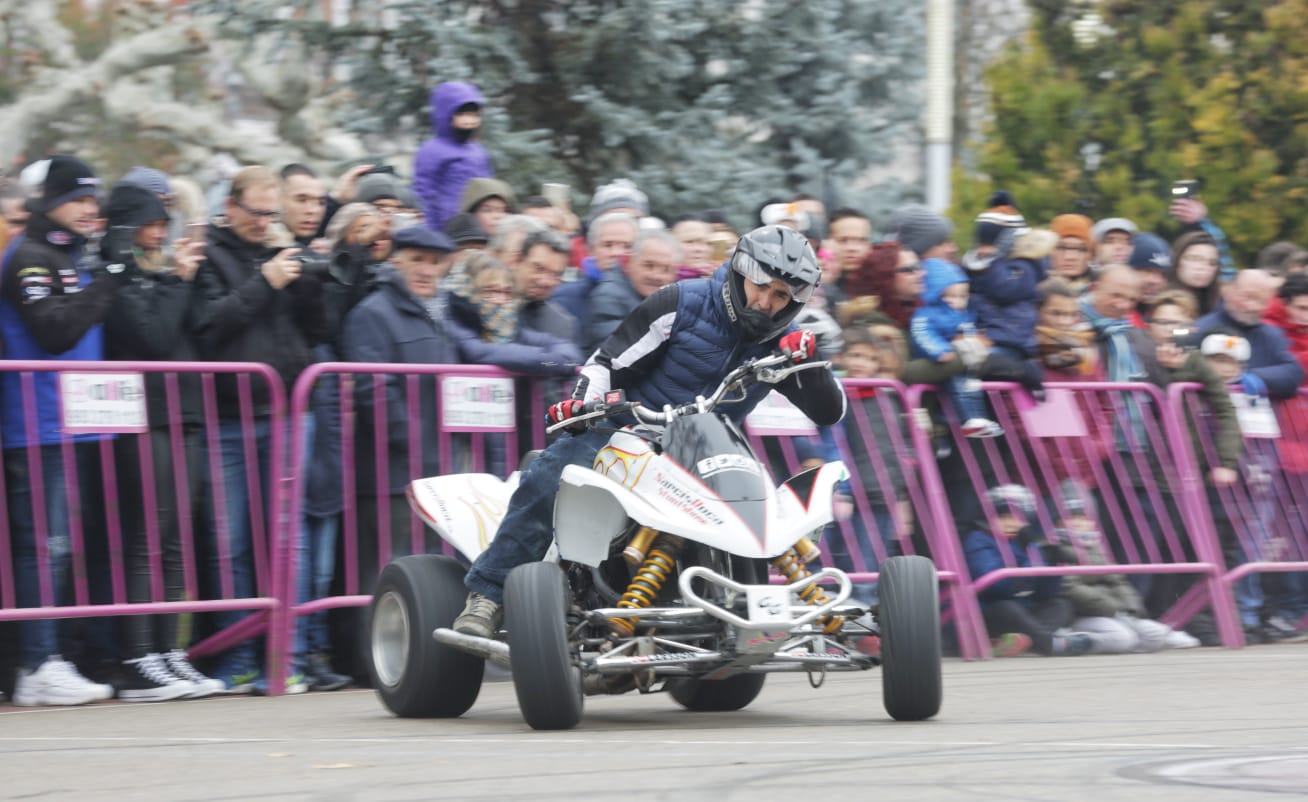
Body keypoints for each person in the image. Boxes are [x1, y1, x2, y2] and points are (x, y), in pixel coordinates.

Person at [452, 225, 847, 637]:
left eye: (781, 295)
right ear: (739, 272)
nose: (766, 302)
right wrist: (583, 405)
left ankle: (731, 609)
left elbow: (830, 412)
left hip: (707, 452)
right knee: (552, 473)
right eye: (761, 285)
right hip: (626, 435)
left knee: (764, 505)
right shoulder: (681, 302)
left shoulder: (782, 342)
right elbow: (606, 362)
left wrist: (812, 364)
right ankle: (489, 594)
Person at [191, 165, 329, 694]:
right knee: (230, 545)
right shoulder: (208, 255)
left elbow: (320, 332)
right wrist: (264, 282)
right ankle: (238, 657)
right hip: (229, 419)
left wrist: (307, 285)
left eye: (273, 213)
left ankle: (285, 657)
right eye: (257, 211)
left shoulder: (285, 254)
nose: (266, 221)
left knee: (284, 541)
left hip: (290, 415)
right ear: (231, 206)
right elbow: (208, 327)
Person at [100, 183, 226, 701]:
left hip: (183, 413)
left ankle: (168, 652)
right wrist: (177, 280)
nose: (159, 232)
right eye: (150, 224)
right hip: (144, 416)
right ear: (127, 225)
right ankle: (137, 659)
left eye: (163, 223)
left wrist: (184, 278)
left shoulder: (166, 272)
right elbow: (151, 336)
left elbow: (194, 327)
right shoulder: (114, 273)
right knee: (147, 539)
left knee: (174, 542)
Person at [1, 155, 119, 705]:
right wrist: (105, 287)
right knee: (42, 547)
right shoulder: (28, 256)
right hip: (37, 422)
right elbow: (53, 330)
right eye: (80, 200)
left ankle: (55, 655)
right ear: (51, 202)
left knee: (63, 547)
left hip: (78, 422)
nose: (90, 210)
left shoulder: (73, 256)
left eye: (94, 201)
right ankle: (37, 664)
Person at [1050, 481, 1201, 652]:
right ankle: (1070, 641)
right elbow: (1069, 587)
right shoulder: (1055, 548)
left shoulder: (1096, 546)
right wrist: (1113, 609)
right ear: (1058, 521)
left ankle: (1130, 640)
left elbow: (1118, 580)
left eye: (1084, 519)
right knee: (1121, 638)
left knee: (1155, 634)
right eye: (1072, 519)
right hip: (1081, 615)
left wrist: (1130, 607)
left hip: (1113, 612)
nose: (1079, 524)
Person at [961, 485, 1094, 657]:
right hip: (990, 610)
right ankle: (1049, 644)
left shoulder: (1029, 541)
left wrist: (1054, 568)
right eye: (1003, 517)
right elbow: (995, 585)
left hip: (1025, 609)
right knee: (1008, 608)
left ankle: (1015, 642)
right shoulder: (978, 540)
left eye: (1017, 518)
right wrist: (1032, 559)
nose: (1011, 523)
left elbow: (1046, 594)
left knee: (1061, 605)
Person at [909, 259, 997, 437]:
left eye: (963, 296)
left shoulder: (964, 314)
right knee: (959, 384)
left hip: (958, 359)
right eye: (951, 296)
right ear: (935, 294)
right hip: (938, 361)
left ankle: (974, 417)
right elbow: (923, 333)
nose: (959, 302)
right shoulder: (927, 314)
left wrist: (978, 342)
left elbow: (967, 331)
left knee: (971, 386)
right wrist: (938, 350)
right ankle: (970, 418)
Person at [1194, 269, 1305, 399]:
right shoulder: (1201, 329)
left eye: (1261, 301)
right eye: (1247, 297)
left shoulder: (1271, 335)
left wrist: (1253, 376)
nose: (1253, 307)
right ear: (1229, 291)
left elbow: (1294, 372)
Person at [412, 81, 494, 230]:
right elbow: (424, 196)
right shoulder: (432, 151)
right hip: (447, 229)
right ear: (446, 115)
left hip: (478, 229)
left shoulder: (478, 151)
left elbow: (489, 189)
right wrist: (432, 235)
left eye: (474, 115)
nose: (469, 121)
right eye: (462, 114)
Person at [583, 229, 680, 352]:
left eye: (666, 269)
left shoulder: (674, 299)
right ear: (629, 263)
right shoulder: (607, 296)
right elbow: (617, 352)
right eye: (649, 265)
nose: (656, 276)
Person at [1169, 231, 1223, 317]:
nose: (1202, 267)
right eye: (1195, 259)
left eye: (1212, 262)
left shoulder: (1221, 307)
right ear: (1177, 261)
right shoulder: (1164, 303)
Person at [1048, 214, 1094, 291]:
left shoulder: (1104, 289)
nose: (1069, 257)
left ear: (1090, 255)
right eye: (1061, 247)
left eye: (1080, 249)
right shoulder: (1033, 289)